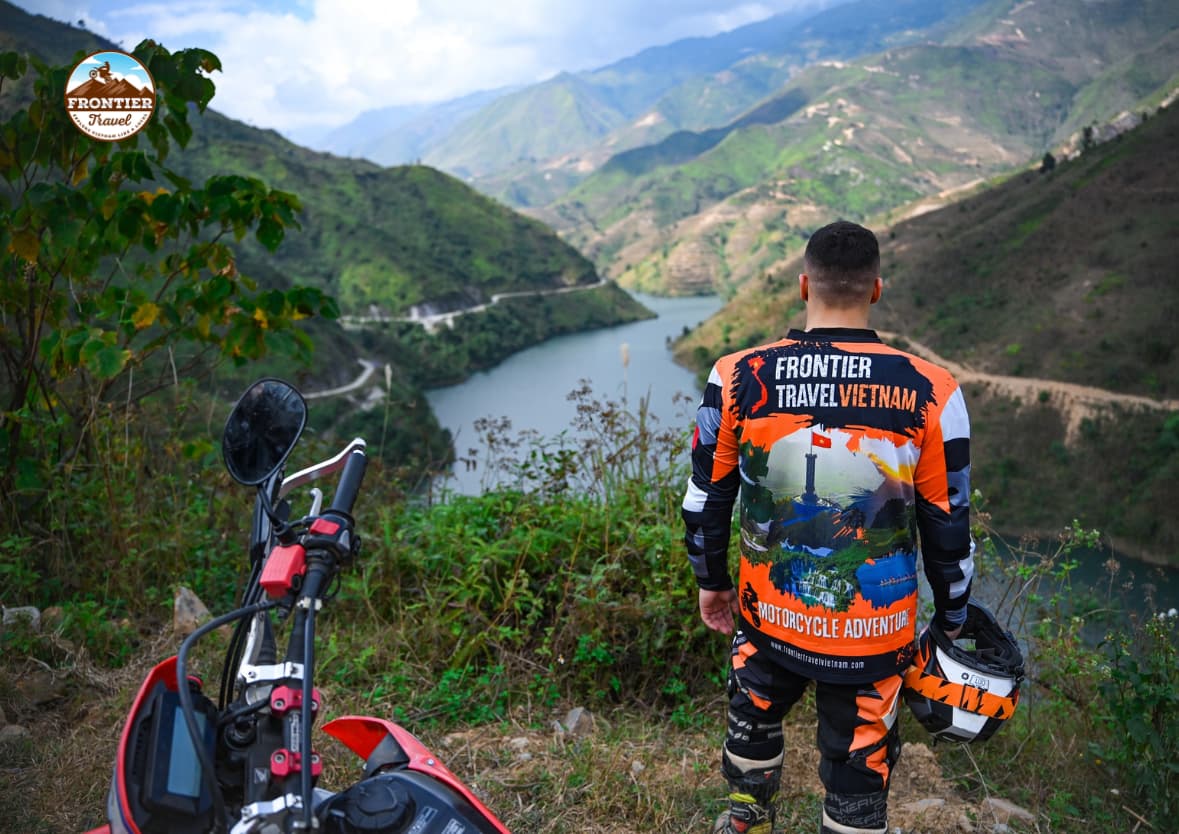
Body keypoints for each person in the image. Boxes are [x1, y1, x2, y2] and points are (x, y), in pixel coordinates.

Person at [682, 220, 974, 834]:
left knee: (753, 712)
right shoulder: (935, 391)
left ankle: (745, 818)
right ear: (876, 289)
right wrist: (951, 620)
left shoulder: (735, 376)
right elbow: (948, 524)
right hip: (875, 631)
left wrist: (711, 579)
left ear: (802, 284)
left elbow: (705, 496)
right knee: (860, 755)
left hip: (768, 613)